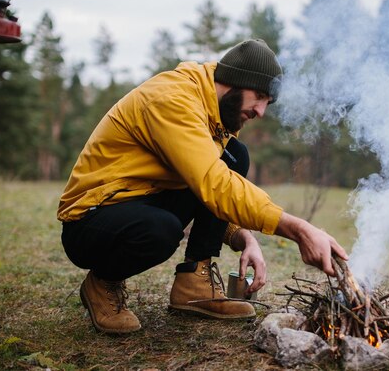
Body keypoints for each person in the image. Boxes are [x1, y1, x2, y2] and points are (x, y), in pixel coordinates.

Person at [57, 39, 348, 334]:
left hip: (141, 197)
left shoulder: (214, 116)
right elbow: (212, 183)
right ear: (235, 81)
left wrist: (241, 235)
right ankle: (102, 281)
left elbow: (207, 180)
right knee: (161, 230)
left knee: (235, 154)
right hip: (90, 219)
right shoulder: (172, 99)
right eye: (259, 96)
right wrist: (297, 229)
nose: (261, 111)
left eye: (267, 103)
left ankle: (194, 283)